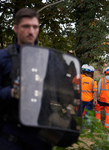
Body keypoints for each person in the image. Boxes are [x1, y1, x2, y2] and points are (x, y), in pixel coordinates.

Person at [0, 8, 52, 150]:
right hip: (10, 135)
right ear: (16, 28)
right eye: (26, 26)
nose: (31, 31)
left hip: (40, 136)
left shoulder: (47, 60)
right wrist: (14, 92)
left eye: (35, 27)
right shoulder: (3, 58)